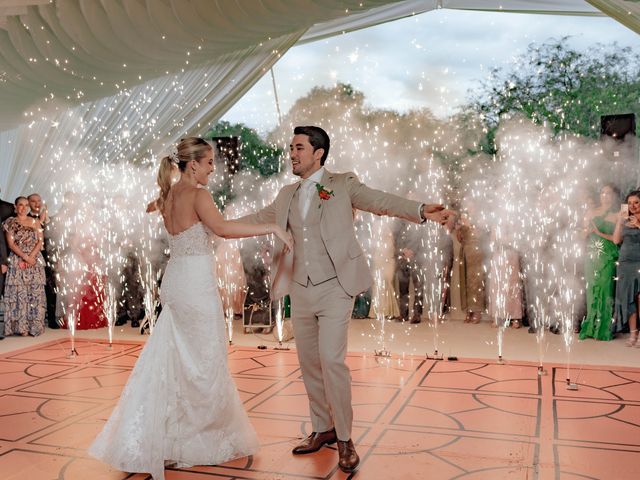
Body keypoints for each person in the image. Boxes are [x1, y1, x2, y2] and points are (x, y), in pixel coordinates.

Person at [238, 125, 453, 473]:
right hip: (300, 288)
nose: (291, 154)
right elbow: (254, 219)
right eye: (291, 148)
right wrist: (207, 222)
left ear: (318, 153)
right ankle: (322, 428)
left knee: (332, 361)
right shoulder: (285, 194)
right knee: (309, 362)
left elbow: (381, 201)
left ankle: (345, 439)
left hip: (336, 287)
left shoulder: (342, 185)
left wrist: (421, 210)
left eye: (298, 148)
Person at [89, 137, 293, 480]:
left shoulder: (167, 195)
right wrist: (271, 227)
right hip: (195, 284)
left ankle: (167, 436)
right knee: (204, 359)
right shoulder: (198, 194)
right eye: (210, 162)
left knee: (174, 358)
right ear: (193, 164)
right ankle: (195, 437)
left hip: (175, 281)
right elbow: (223, 229)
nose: (214, 168)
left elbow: (151, 209)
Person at [579, 184, 620, 341]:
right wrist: (586, 232)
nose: (605, 195)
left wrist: (599, 233)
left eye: (609, 193)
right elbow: (582, 236)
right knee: (592, 291)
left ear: (614, 196)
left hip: (608, 256)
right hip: (591, 256)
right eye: (603, 193)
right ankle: (590, 327)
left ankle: (603, 329)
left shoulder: (618, 215)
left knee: (606, 290)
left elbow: (618, 240)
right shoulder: (590, 212)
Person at [2, 197, 46, 336]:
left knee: (34, 293)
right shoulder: (10, 222)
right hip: (17, 259)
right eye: (20, 205)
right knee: (19, 294)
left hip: (35, 261)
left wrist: (31, 257)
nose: (24, 207)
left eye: (26, 205)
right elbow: (11, 244)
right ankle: (21, 328)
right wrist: (25, 257)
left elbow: (40, 242)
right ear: (15, 206)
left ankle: (34, 326)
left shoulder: (36, 222)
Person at [27, 193, 59, 329]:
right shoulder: (25, 219)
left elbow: (56, 239)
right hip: (32, 256)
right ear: (28, 203)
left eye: (39, 201)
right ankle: (31, 320)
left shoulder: (50, 220)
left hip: (49, 257)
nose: (37, 204)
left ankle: (52, 318)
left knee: (52, 288)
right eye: (33, 201)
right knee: (32, 288)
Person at [613, 190, 640, 345]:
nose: (633, 206)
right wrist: (619, 221)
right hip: (625, 263)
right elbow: (616, 240)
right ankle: (633, 334)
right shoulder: (625, 220)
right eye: (630, 203)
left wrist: (638, 224)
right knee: (629, 299)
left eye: (636, 202)